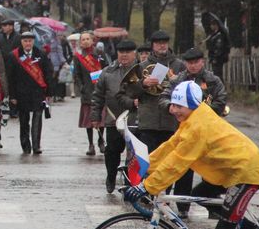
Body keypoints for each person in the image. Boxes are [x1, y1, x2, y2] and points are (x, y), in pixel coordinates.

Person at [125, 81, 259, 229]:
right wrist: (141, 166)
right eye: (172, 105)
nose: (173, 110)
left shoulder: (198, 127)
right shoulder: (193, 118)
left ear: (191, 106)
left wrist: (147, 186)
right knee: (200, 194)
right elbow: (170, 147)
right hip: (229, 169)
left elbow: (177, 162)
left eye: (179, 106)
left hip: (244, 171)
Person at [128, 30, 188, 214]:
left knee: (170, 163)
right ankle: (147, 195)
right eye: (158, 43)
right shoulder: (141, 66)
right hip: (149, 122)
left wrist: (175, 82)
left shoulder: (179, 65)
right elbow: (130, 91)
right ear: (152, 45)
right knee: (150, 161)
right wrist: (143, 84)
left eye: (165, 42)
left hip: (172, 122)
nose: (162, 45)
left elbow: (188, 90)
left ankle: (165, 197)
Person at [90, 39, 138, 193]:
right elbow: (98, 96)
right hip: (113, 119)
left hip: (135, 119)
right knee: (112, 152)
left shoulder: (141, 71)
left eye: (128, 52)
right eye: (121, 52)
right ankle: (111, 176)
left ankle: (130, 183)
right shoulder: (107, 72)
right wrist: (95, 116)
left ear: (134, 53)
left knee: (134, 154)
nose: (124, 55)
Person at [7, 31, 52, 155]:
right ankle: (26, 145)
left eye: (30, 41)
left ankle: (36, 146)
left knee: (37, 119)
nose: (28, 43)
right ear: (21, 42)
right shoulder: (14, 55)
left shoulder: (41, 54)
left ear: (33, 42)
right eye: (25, 41)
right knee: (24, 121)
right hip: (21, 93)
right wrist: (12, 95)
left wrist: (49, 92)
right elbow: (10, 78)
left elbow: (48, 73)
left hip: (38, 92)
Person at [161, 48, 227, 116]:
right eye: (190, 63)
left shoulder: (213, 80)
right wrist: (170, 106)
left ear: (202, 62)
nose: (193, 66)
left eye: (196, 62)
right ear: (185, 63)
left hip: (206, 119)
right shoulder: (177, 80)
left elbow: (221, 101)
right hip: (182, 119)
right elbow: (164, 97)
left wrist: (202, 110)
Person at [73, 31, 108, 156]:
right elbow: (77, 75)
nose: (86, 41)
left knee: (101, 117)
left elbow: (107, 68)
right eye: (83, 39)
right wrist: (81, 87)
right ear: (80, 42)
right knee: (88, 119)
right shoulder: (78, 56)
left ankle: (101, 141)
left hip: (100, 90)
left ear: (92, 40)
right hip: (87, 91)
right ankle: (90, 144)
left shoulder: (100, 53)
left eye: (88, 39)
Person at [205, 17, 231, 81]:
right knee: (215, 73)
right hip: (214, 57)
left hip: (218, 58)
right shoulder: (214, 34)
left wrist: (215, 57)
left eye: (212, 25)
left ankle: (220, 86)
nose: (211, 26)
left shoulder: (220, 35)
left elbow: (219, 47)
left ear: (216, 25)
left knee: (218, 74)